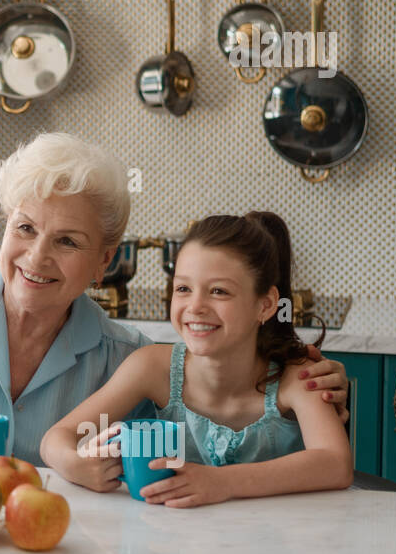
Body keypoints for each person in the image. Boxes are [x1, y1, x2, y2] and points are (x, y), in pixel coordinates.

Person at [0, 133, 352, 469]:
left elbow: (210, 439)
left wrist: (299, 387)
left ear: (104, 262)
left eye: (67, 242)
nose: (36, 257)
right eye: (25, 229)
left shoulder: (124, 359)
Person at [41, 212, 353, 505]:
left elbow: (336, 464)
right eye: (184, 288)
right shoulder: (152, 367)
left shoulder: (297, 377)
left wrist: (222, 482)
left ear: (266, 304)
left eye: (218, 291)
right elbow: (56, 438)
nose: (196, 306)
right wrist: (75, 463)